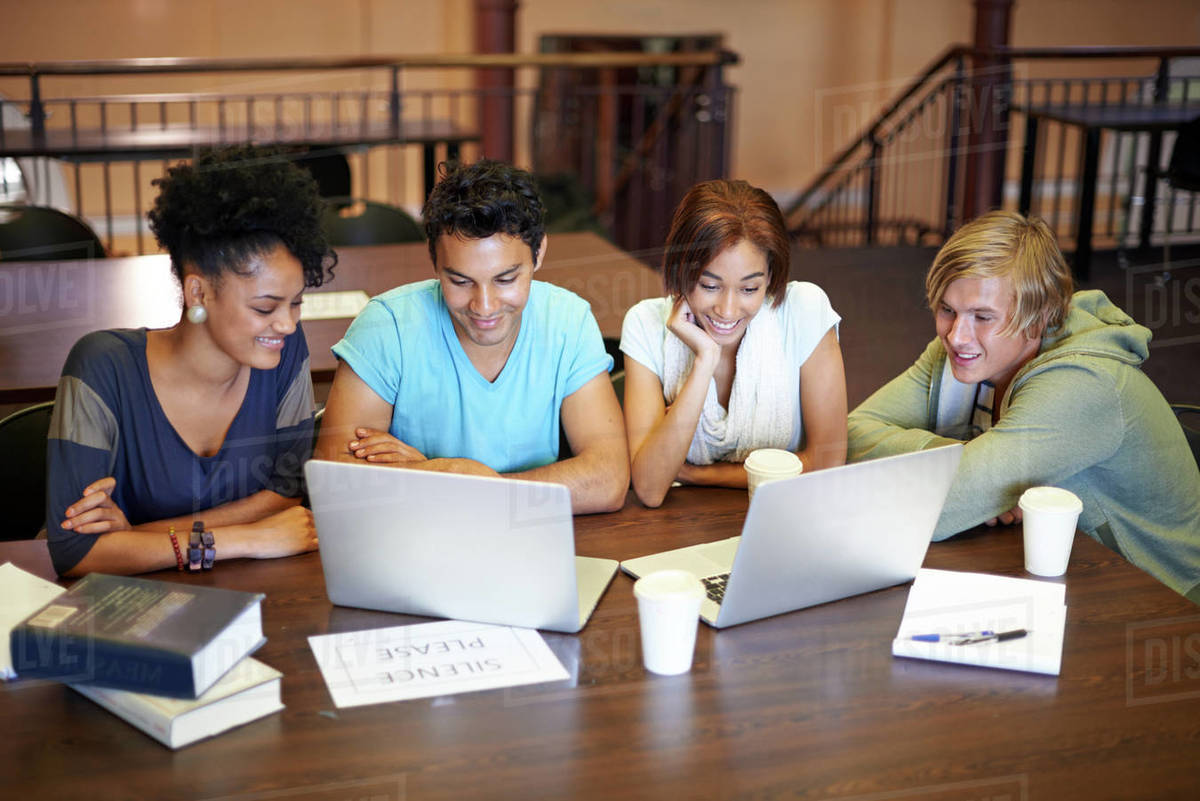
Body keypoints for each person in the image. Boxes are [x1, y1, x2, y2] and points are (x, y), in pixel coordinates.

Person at [848, 210, 1200, 599]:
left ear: (1039, 319)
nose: (956, 336)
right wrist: (962, 459)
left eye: (983, 316)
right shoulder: (963, 349)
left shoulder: (1084, 384)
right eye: (947, 309)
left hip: (1161, 600)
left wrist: (975, 483)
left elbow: (936, 511)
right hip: (1066, 572)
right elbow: (853, 432)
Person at [46, 145, 335, 576]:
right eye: (265, 308)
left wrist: (140, 538)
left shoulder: (284, 352)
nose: (287, 325)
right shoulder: (101, 368)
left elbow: (285, 495)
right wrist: (247, 538)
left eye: (296, 304)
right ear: (198, 292)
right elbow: (75, 551)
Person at [315, 159, 628, 514]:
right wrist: (463, 481)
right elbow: (338, 484)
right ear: (434, 262)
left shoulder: (568, 320)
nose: (484, 306)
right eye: (460, 282)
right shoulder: (386, 327)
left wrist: (446, 476)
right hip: (415, 544)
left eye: (506, 280)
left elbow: (608, 479)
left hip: (527, 542)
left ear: (538, 252)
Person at [620, 179, 847, 507]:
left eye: (749, 289)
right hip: (677, 531)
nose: (727, 310)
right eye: (709, 285)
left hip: (784, 520)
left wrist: (697, 475)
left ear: (770, 276)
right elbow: (651, 487)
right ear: (682, 270)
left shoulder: (803, 310)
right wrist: (704, 360)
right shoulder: (645, 324)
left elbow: (825, 465)